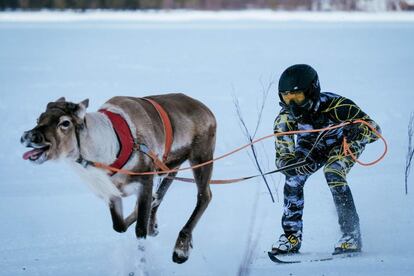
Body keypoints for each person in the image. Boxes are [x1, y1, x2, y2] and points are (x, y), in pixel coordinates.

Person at [271, 64, 381, 255]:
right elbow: (283, 158)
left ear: (312, 91)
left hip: (344, 143)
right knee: (293, 178)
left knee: (333, 171)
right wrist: (291, 165)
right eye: (286, 97)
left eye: (297, 97)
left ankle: (351, 234)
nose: (292, 104)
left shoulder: (338, 106)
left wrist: (358, 130)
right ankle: (291, 236)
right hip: (311, 149)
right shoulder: (285, 120)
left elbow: (375, 131)